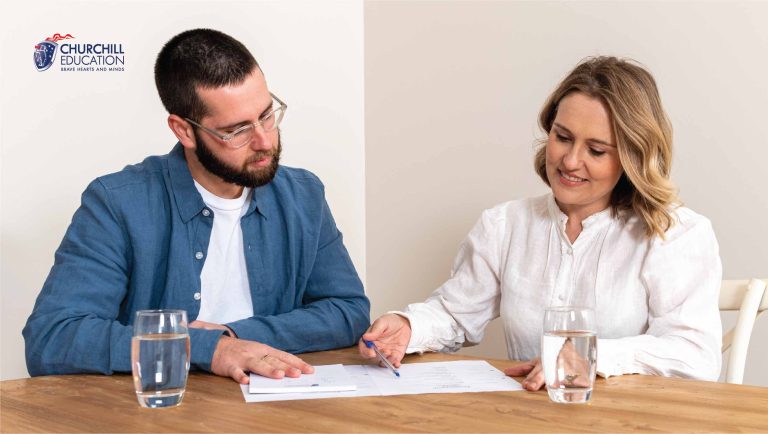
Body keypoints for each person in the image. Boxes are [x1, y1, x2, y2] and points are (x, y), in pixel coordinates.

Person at [23, 28, 370, 384]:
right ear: (184, 131)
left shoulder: (303, 194)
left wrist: (234, 336)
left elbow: (348, 310)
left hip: (273, 402)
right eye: (237, 131)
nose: (265, 141)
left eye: (267, 115)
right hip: (159, 410)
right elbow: (53, 338)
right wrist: (208, 348)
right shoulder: (117, 202)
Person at [359, 56, 722, 389]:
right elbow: (455, 314)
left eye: (596, 150)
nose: (570, 160)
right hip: (527, 418)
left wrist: (591, 358)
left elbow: (694, 354)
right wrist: (408, 327)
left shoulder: (675, 234)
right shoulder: (504, 225)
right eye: (562, 137)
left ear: (631, 157)